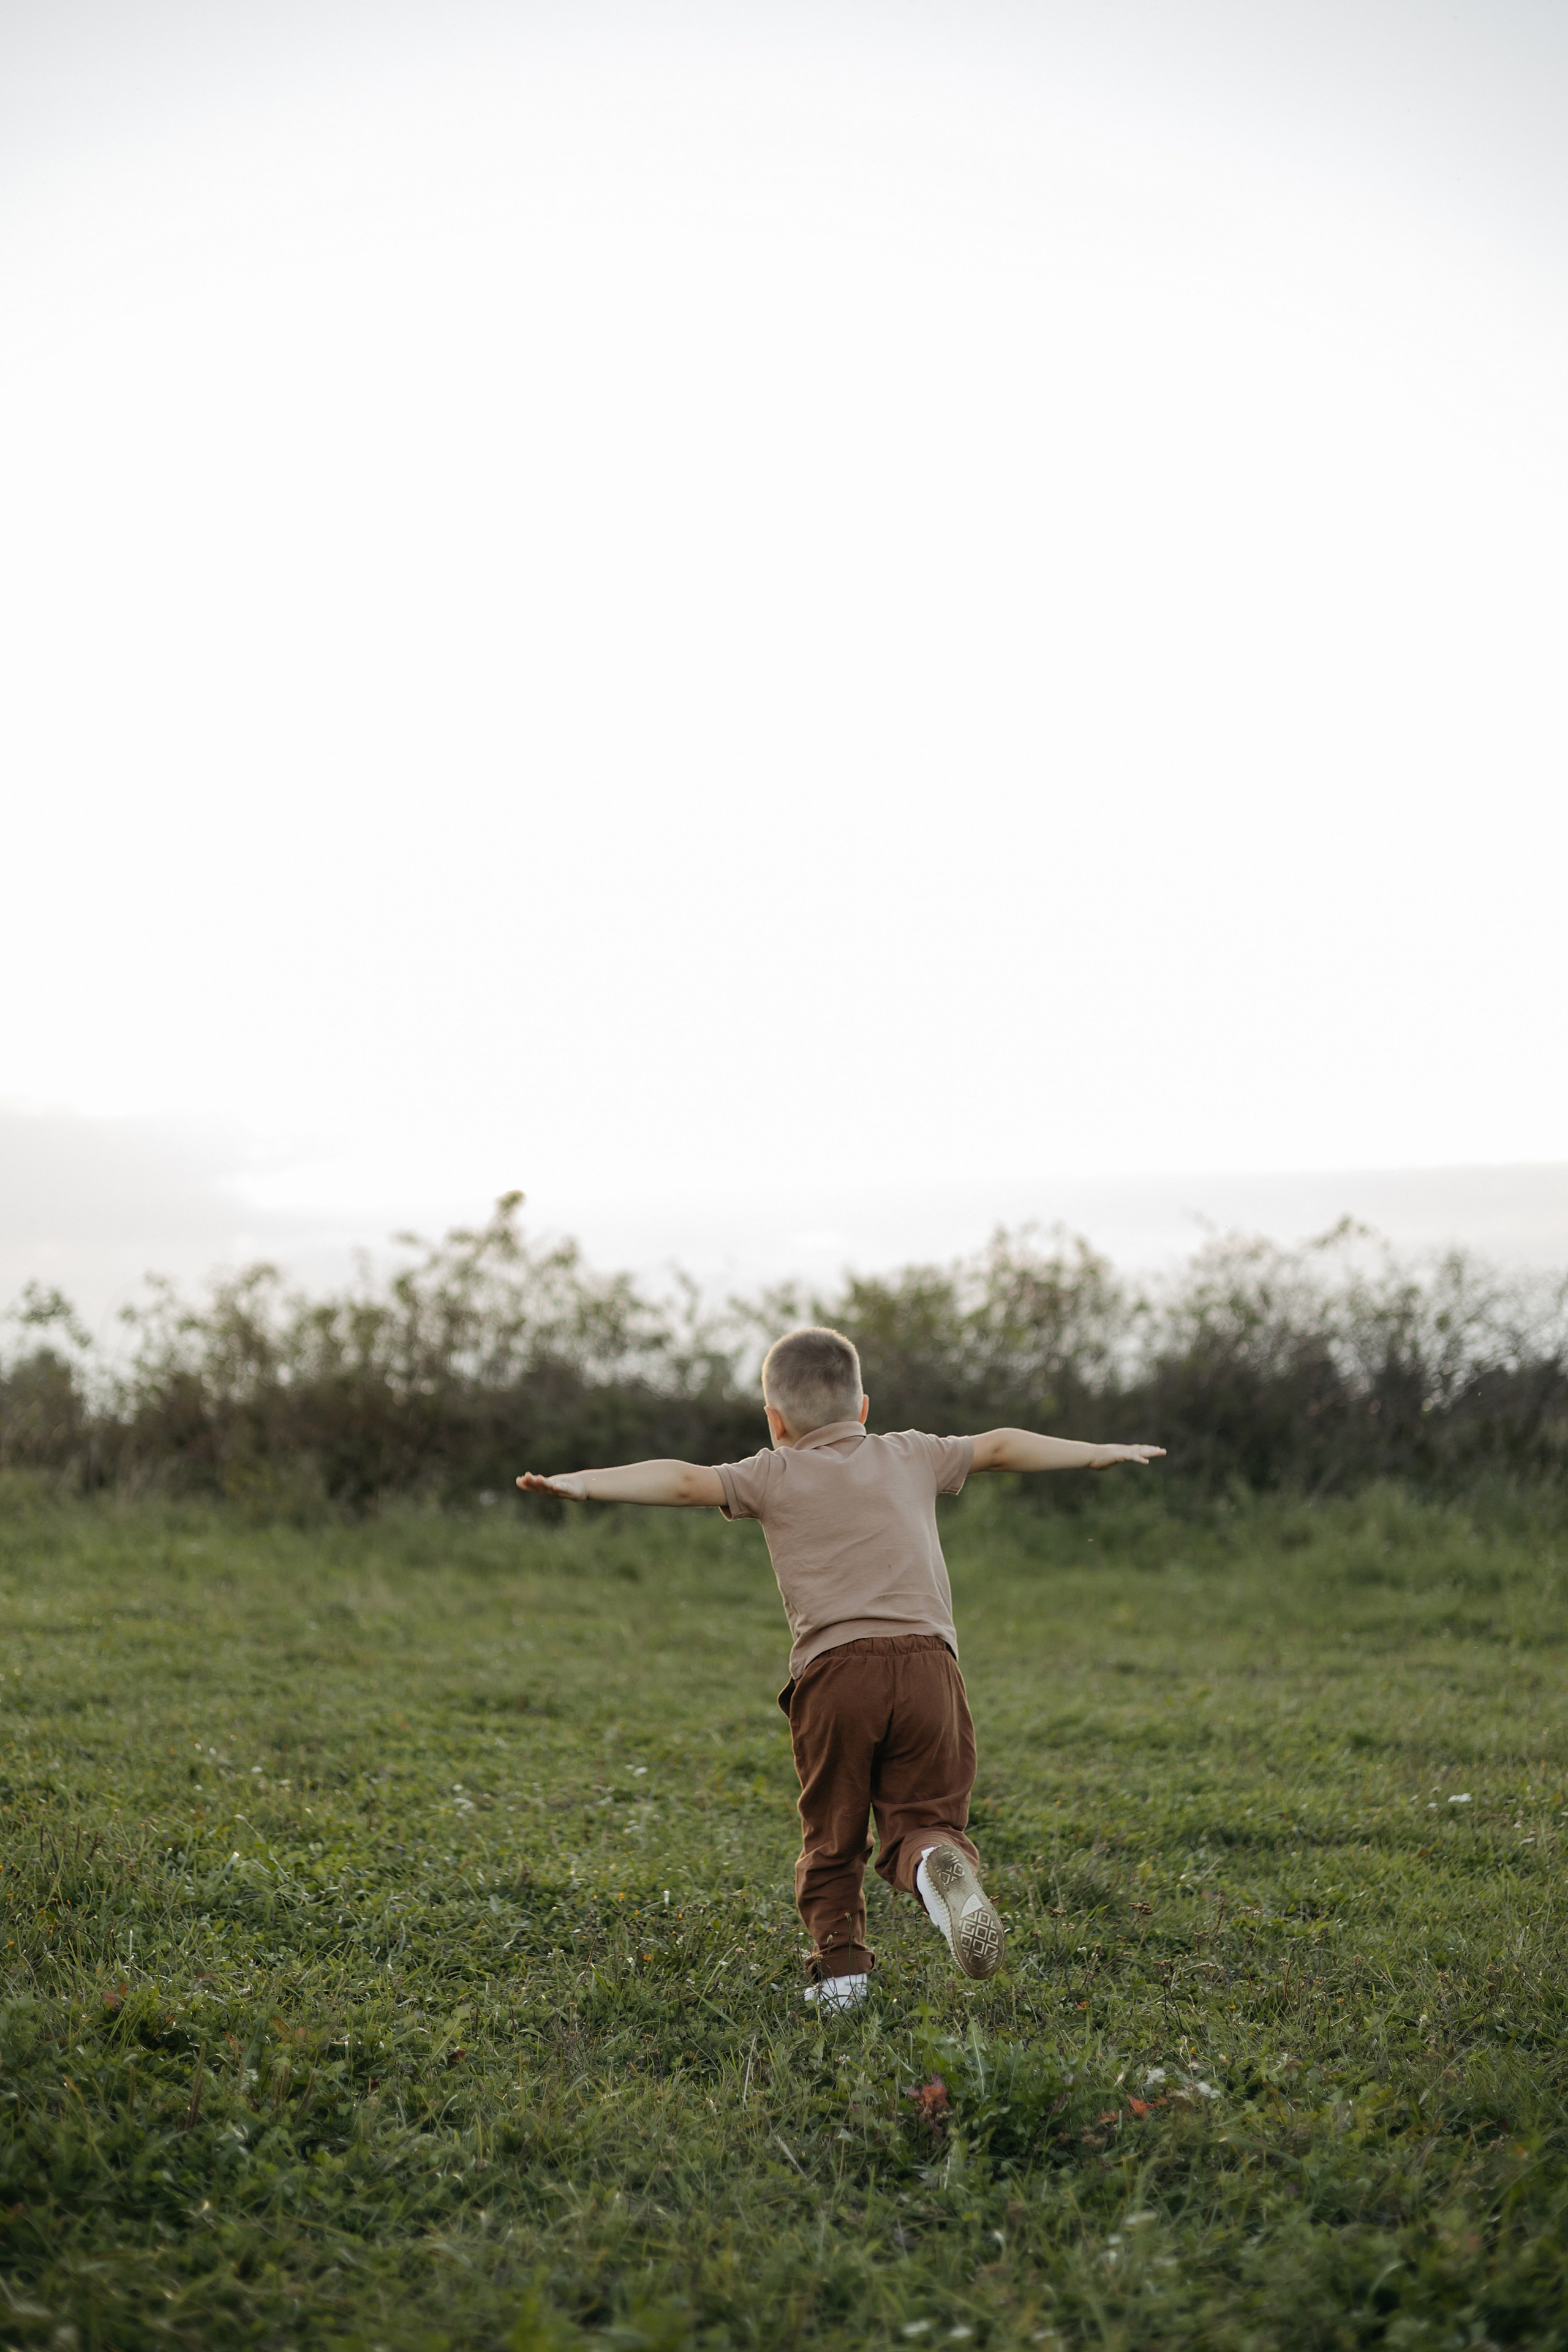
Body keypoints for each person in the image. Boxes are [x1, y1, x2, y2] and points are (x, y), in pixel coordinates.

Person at [517, 1325, 1163, 2011]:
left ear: (774, 1421)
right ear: (862, 1408)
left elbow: (681, 1481)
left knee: (834, 1831)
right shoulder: (912, 1454)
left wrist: (580, 1484)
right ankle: (930, 1862)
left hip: (834, 1673)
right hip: (927, 1666)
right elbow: (1001, 1444)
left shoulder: (771, 1471)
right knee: (924, 1814)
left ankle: (844, 1978)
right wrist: (1097, 1453)